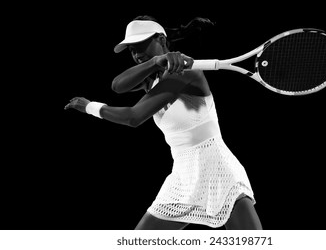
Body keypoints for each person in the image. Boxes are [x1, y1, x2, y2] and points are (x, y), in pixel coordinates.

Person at [65, 15, 262, 230]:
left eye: (141, 45)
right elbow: (117, 86)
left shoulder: (185, 73)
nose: (137, 53)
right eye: (132, 49)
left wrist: (89, 107)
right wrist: (153, 61)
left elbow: (133, 117)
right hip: (183, 175)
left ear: (161, 39)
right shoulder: (152, 78)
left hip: (217, 169)